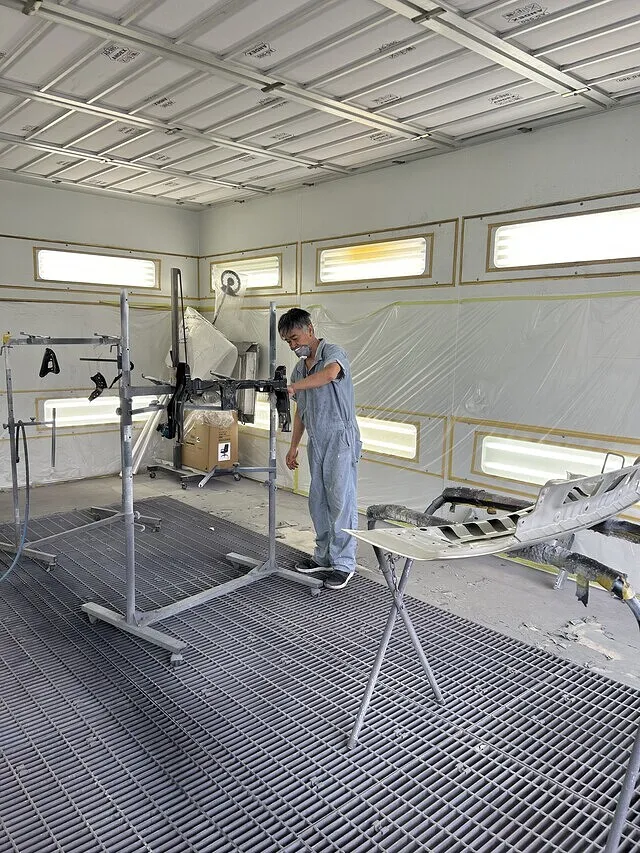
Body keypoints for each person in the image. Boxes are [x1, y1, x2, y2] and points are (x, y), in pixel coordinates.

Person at [278, 308, 361, 590]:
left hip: (340, 437)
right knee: (319, 501)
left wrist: (294, 387)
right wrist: (293, 446)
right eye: (288, 342)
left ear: (310, 330)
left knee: (341, 501)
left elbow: (329, 375)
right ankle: (324, 556)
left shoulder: (333, 354)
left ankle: (344, 564)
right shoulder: (299, 370)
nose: (293, 346)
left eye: (295, 338)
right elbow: (301, 411)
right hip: (317, 439)